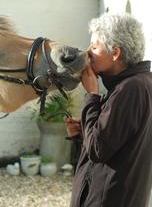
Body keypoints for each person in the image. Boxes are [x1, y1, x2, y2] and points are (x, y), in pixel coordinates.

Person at [65, 12, 152, 207]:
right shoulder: (137, 83)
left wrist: (92, 95)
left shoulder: (131, 88)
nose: (87, 52)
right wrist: (83, 131)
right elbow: (116, 140)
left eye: (94, 47)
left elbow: (98, 148)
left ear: (115, 53)